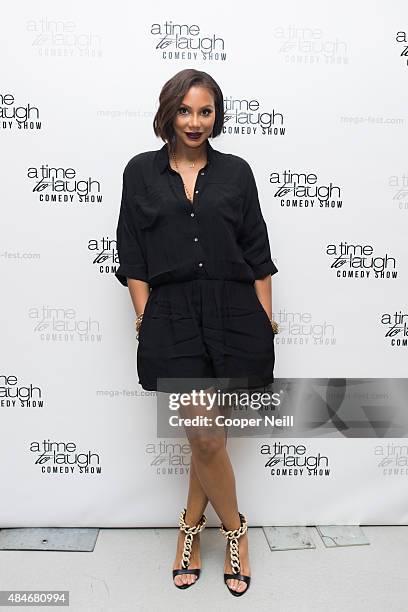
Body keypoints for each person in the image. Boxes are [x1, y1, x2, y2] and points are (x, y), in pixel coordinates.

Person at [114, 68, 279, 597]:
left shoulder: (237, 172)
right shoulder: (140, 172)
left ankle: (189, 528)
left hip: (234, 311)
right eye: (185, 110)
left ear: (216, 115)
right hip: (172, 315)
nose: (194, 121)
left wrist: (266, 319)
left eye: (204, 111)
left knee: (206, 438)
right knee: (205, 435)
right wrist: (144, 318)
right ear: (168, 113)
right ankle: (236, 531)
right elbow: (133, 254)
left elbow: (257, 251)